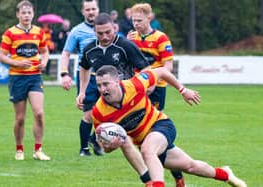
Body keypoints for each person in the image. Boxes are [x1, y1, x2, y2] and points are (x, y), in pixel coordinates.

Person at [92, 65, 247, 187]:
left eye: (106, 84)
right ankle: (226, 175)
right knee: (191, 166)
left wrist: (183, 90)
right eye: (99, 85)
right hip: (146, 141)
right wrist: (111, 146)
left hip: (161, 125)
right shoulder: (99, 113)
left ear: (117, 81)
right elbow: (104, 146)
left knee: (148, 150)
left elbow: (161, 72)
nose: (102, 89)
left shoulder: (136, 84)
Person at [77, 13, 150, 184]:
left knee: (149, 143)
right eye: (100, 33)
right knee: (103, 127)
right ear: (94, 31)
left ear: (114, 27)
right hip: (105, 97)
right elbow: (84, 68)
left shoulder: (125, 46)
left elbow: (145, 68)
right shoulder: (89, 49)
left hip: (130, 98)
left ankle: (175, 173)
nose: (104, 36)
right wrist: (82, 91)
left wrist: (144, 88)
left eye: (108, 32)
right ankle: (89, 145)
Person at [128, 3, 184, 186]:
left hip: (156, 90)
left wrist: (151, 82)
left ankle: (162, 178)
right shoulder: (132, 37)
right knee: (145, 138)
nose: (136, 24)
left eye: (139, 20)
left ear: (149, 18)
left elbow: (168, 67)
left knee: (152, 135)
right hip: (137, 89)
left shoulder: (161, 38)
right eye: (133, 20)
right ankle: (173, 173)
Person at [0, 0, 50, 161]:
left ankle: (38, 150)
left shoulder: (39, 32)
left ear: (33, 14)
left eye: (29, 12)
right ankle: (19, 149)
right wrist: (17, 63)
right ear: (18, 14)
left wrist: (44, 62)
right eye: (23, 12)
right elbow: (1, 56)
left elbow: (44, 51)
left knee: (39, 113)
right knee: (20, 118)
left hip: (35, 77)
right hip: (17, 78)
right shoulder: (10, 33)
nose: (26, 15)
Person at [60, 0, 102, 157]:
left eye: (93, 9)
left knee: (110, 112)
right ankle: (84, 148)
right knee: (90, 114)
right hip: (87, 77)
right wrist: (64, 74)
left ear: (98, 10)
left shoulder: (107, 28)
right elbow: (66, 53)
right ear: (83, 12)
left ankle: (95, 139)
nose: (91, 12)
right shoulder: (77, 31)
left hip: (107, 76)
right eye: (88, 9)